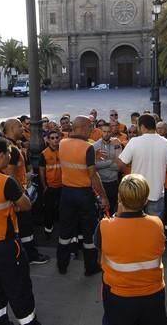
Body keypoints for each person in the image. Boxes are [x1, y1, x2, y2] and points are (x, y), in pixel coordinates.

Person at [0, 136, 42, 325]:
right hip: (7, 243)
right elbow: (26, 205)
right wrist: (18, 203)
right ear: (2, 155)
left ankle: (0, 320)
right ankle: (29, 322)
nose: (12, 156)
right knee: (18, 285)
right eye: (10, 153)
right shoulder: (6, 181)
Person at [95, 174, 167, 325]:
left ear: (120, 199)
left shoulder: (104, 226)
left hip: (118, 297)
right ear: (146, 200)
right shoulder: (157, 224)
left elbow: (100, 257)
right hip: (153, 296)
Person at [57, 115, 110, 275]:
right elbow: (93, 176)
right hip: (83, 194)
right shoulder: (87, 148)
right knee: (89, 232)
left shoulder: (62, 143)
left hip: (66, 193)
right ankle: (90, 267)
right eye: (90, 127)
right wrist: (104, 197)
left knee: (65, 231)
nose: (92, 130)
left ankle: (62, 264)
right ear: (81, 128)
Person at [3, 118, 49, 265]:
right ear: (10, 129)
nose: (23, 128)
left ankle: (25, 253)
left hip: (20, 191)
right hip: (19, 194)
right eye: (19, 126)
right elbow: (10, 174)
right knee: (25, 226)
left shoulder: (12, 145)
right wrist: (20, 195)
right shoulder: (12, 149)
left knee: (24, 226)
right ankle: (30, 255)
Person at [118, 114, 167, 217]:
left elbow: (121, 164)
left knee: (136, 225)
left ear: (142, 126)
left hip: (136, 193)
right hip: (157, 193)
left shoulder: (134, 142)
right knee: (154, 227)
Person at [93, 122, 123, 214]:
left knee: (112, 208)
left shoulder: (116, 144)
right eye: (104, 131)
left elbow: (119, 166)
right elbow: (94, 166)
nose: (106, 134)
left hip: (113, 183)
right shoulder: (95, 146)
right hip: (101, 183)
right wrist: (111, 161)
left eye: (108, 131)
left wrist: (103, 163)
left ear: (111, 132)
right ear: (101, 132)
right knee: (101, 210)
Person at [39, 130, 62, 238]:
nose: (55, 140)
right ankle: (48, 230)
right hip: (50, 187)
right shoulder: (44, 154)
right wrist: (45, 187)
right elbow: (41, 171)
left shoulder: (63, 151)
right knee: (49, 210)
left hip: (63, 186)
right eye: (52, 138)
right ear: (48, 140)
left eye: (57, 137)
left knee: (63, 209)